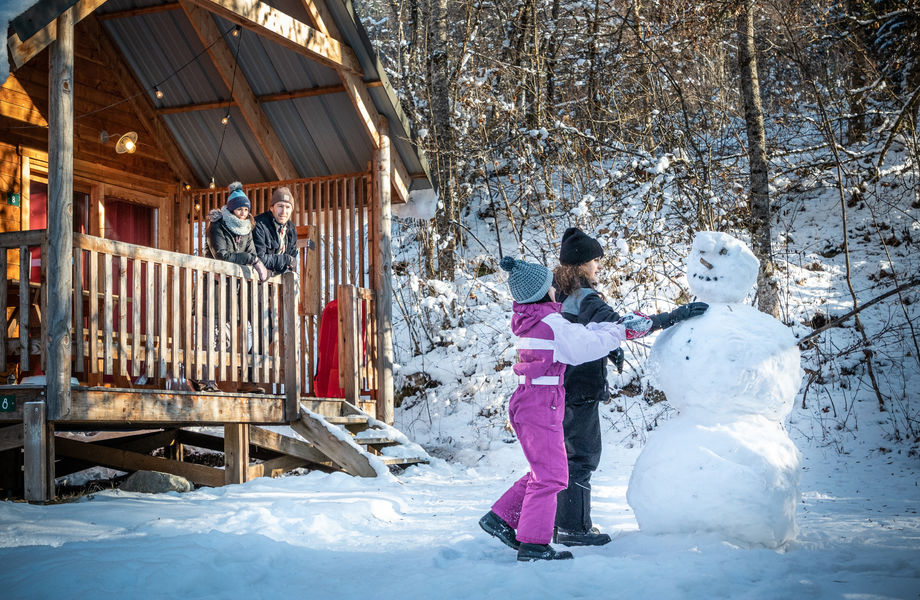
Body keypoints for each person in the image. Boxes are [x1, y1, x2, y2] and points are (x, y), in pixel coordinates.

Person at [479, 255, 657, 562]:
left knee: (545, 470)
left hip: (531, 401)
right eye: (550, 286)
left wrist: (611, 328)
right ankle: (533, 545)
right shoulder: (551, 323)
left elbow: (582, 336)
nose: (554, 289)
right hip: (540, 405)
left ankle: (502, 517)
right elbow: (585, 347)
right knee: (551, 476)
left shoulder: (533, 319)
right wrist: (621, 332)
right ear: (543, 291)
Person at [551, 227, 708, 546]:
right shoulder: (585, 296)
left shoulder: (557, 291)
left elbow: (577, 332)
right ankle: (573, 529)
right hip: (579, 387)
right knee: (582, 457)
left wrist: (608, 347)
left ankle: (563, 524)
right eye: (595, 260)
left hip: (556, 384)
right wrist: (677, 315)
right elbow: (627, 326)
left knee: (566, 456)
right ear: (582, 264)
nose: (598, 266)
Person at [196, 181, 269, 393]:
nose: (243, 213)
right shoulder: (218, 226)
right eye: (239, 209)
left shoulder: (246, 230)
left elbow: (252, 252)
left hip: (231, 292)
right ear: (230, 208)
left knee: (225, 340)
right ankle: (203, 379)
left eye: (246, 209)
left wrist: (251, 260)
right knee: (209, 336)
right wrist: (251, 260)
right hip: (212, 290)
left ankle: (209, 380)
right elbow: (222, 255)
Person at [253, 186, 298, 277]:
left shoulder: (291, 229)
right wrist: (285, 259)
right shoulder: (259, 224)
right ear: (271, 208)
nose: (283, 211)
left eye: (288, 207)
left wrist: (286, 262)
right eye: (280, 206)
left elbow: (292, 262)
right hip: (254, 279)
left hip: (276, 281)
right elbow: (259, 259)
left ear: (292, 210)